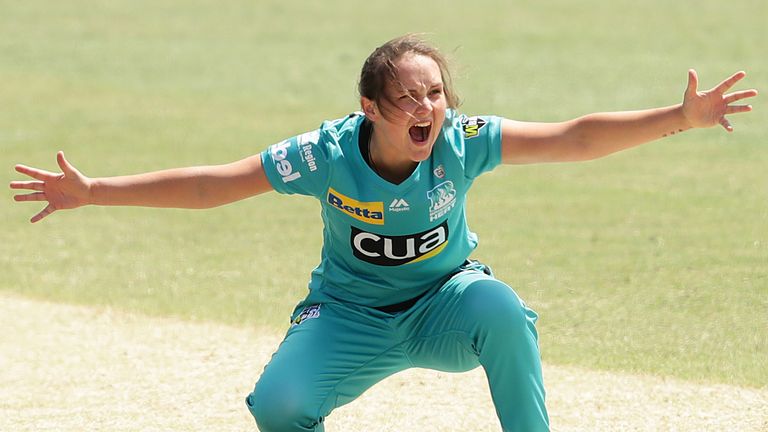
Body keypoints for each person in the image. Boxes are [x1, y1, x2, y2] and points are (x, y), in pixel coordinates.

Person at [10, 34, 757, 432]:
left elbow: (575, 137)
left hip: (446, 308)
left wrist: (679, 118)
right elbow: (216, 184)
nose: (426, 107)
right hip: (348, 316)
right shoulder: (325, 153)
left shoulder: (461, 140)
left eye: (435, 92)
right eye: (407, 98)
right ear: (370, 107)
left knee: (502, 308)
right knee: (277, 407)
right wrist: (96, 191)